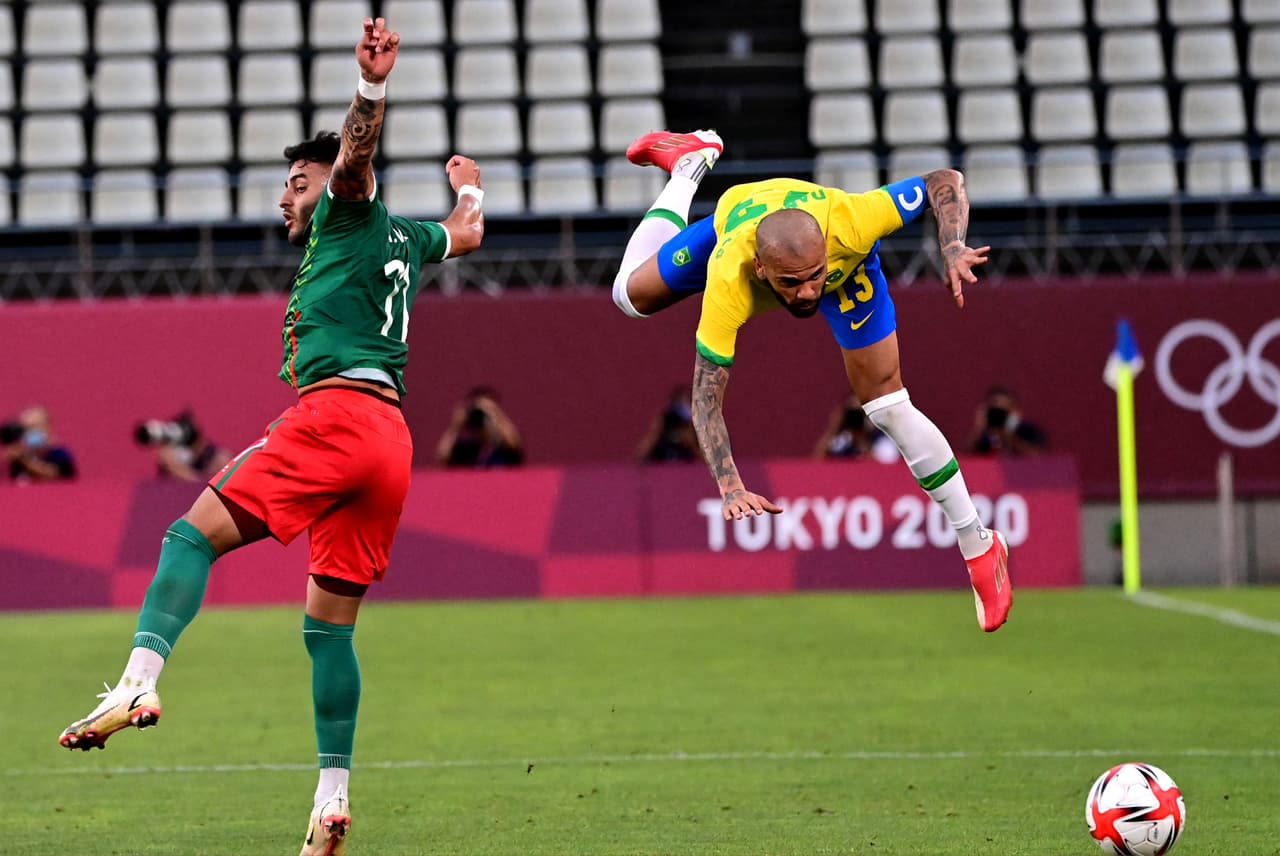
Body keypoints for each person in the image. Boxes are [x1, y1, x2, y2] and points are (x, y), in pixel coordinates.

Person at [57, 18, 485, 856]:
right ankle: (332, 803)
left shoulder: (350, 210)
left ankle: (136, 684)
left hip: (333, 417)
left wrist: (370, 88)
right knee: (329, 630)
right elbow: (465, 235)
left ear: (327, 184)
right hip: (388, 440)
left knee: (188, 537)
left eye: (296, 182)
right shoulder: (404, 236)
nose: (286, 197)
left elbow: (356, 156)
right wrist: (468, 188)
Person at [611, 130, 1011, 632]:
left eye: (813, 276)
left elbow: (943, 180)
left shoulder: (853, 223)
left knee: (887, 405)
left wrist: (952, 246)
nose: (806, 294)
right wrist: (730, 486)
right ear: (761, 270)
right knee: (629, 296)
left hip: (847, 262)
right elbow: (706, 395)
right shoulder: (729, 276)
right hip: (733, 221)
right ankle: (688, 168)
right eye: (790, 283)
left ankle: (978, 544)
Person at [435, 386, 525, 468]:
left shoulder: (503, 448)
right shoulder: (465, 448)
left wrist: (496, 415)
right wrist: (456, 425)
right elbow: (443, 456)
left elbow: (516, 445)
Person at [135, 410, 232, 481]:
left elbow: (225, 469)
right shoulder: (169, 455)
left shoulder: (213, 454)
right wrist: (173, 465)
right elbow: (191, 484)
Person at [813, 393, 899, 463]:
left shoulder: (883, 441)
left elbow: (888, 469)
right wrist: (833, 429)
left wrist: (862, 441)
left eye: (861, 414)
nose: (856, 419)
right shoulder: (843, 441)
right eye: (852, 415)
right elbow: (819, 464)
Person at [3, 405, 77, 482]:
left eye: (33, 427)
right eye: (25, 428)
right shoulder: (21, 455)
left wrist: (23, 460)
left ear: (47, 426)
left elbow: (54, 475)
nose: (29, 431)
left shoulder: (60, 454)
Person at [967, 386, 1048, 456]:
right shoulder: (984, 435)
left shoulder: (1027, 430)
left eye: (1005, 411)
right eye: (996, 411)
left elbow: (1038, 456)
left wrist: (1009, 437)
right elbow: (967, 457)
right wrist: (978, 428)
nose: (1000, 416)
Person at [636, 385, 701, 463]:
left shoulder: (694, 433)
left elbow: (704, 464)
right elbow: (640, 456)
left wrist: (691, 441)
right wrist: (657, 432)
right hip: (663, 472)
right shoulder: (661, 435)